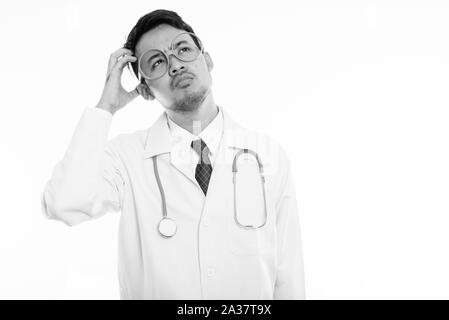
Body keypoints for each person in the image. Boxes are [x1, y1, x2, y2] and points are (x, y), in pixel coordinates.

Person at [41, 9, 305, 300]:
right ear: (145, 90)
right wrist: (106, 106)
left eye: (183, 49)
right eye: (157, 62)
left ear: (207, 60)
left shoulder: (268, 156)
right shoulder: (126, 158)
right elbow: (63, 202)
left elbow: (288, 275)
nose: (175, 65)